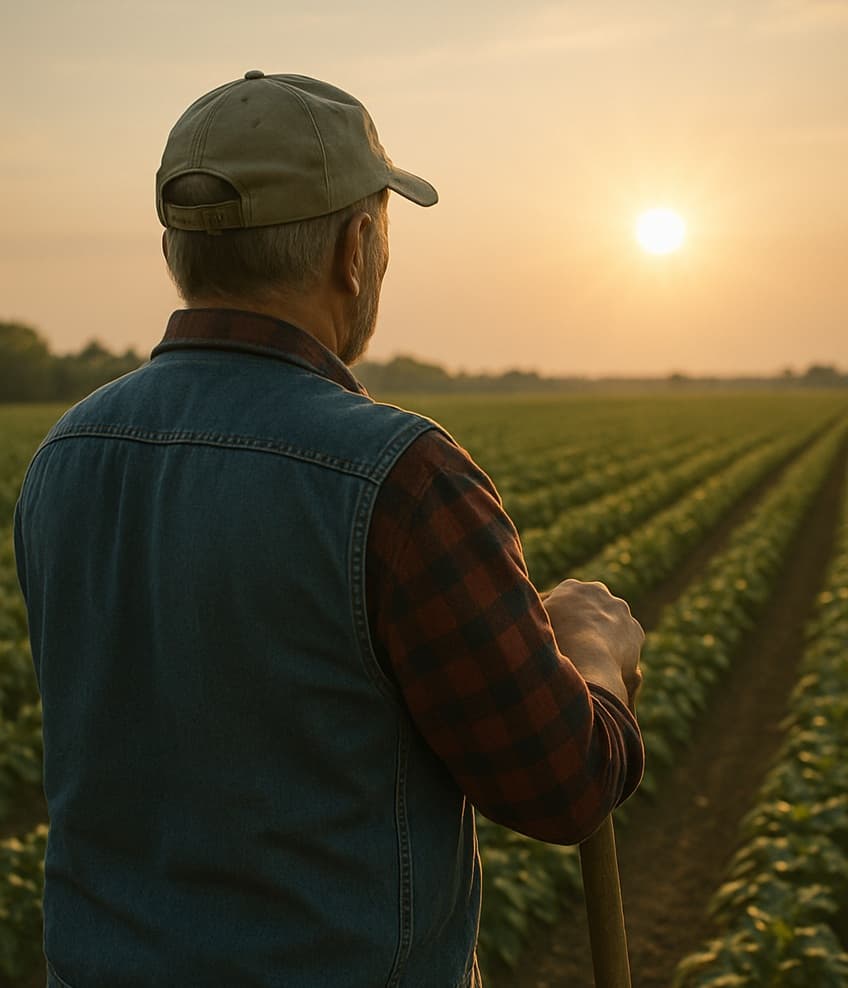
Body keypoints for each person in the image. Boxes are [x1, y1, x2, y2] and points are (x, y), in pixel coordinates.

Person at [13, 71, 644, 988]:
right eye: (383, 227)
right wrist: (588, 651)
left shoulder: (63, 458)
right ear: (356, 248)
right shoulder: (401, 478)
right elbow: (561, 786)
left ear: (175, 250)